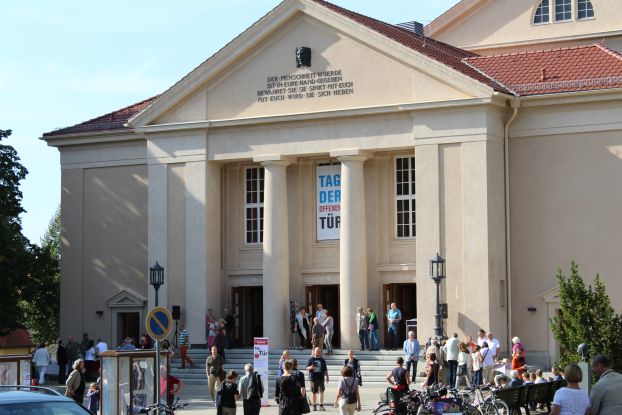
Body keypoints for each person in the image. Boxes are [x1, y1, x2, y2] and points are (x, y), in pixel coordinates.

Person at [306, 347, 329, 411]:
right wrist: (311, 367)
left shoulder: (322, 360)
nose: (317, 352)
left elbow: (325, 369)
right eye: (316, 351)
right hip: (313, 378)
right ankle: (314, 406)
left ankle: (321, 405)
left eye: (319, 351)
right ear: (314, 352)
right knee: (314, 392)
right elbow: (307, 368)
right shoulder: (311, 359)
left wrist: (327, 376)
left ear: (320, 352)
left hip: (321, 377)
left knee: (322, 392)